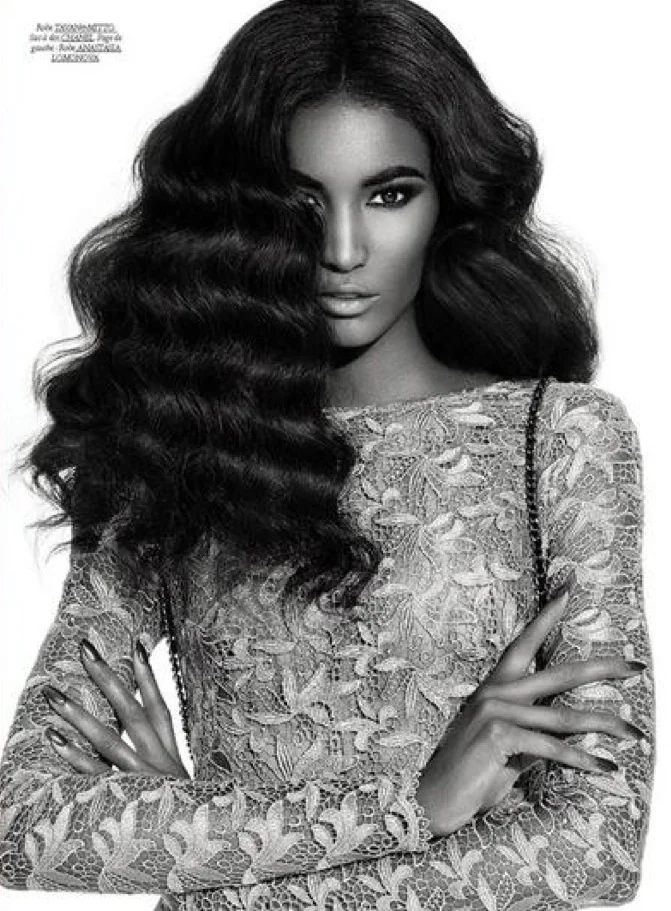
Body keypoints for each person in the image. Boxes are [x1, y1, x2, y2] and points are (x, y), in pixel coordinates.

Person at [0, 0, 655, 909]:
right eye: (303, 204)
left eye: (389, 194)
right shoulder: (173, 448)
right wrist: (415, 805)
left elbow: (594, 852)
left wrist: (207, 859)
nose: (343, 250)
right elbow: (30, 825)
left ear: (447, 198)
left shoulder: (559, 438)